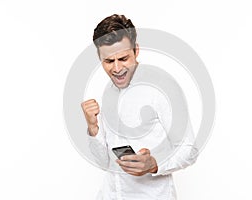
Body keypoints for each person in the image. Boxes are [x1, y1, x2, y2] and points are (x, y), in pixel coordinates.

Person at [81, 14, 196, 200]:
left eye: (124, 58)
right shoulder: (108, 91)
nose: (117, 69)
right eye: (109, 61)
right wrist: (93, 128)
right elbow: (104, 162)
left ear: (136, 50)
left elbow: (189, 150)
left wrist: (154, 164)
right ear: (99, 57)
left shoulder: (164, 89)